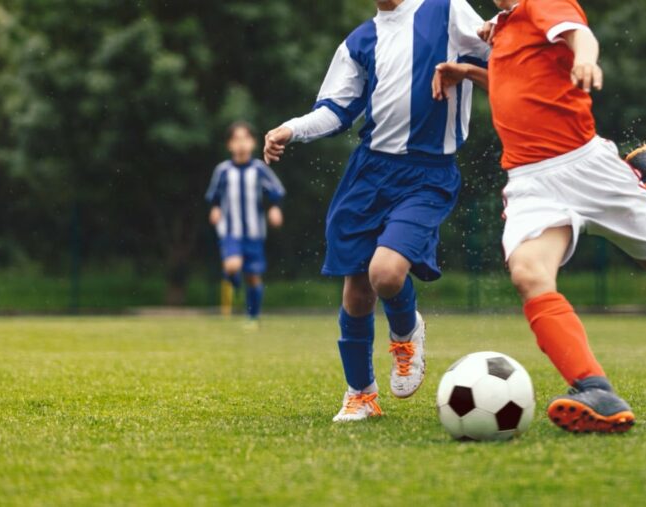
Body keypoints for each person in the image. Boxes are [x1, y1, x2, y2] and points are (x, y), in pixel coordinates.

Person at [433, 0, 646, 433]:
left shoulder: (541, 2)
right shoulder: (501, 28)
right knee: (528, 274)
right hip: (531, 182)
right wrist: (470, 74)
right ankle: (594, 388)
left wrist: (586, 60)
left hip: (586, 166)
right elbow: (517, 85)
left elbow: (580, 36)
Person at [262, 0, 491, 422]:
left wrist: (476, 62)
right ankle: (361, 394)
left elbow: (504, 64)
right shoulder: (359, 41)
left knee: (385, 274)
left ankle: (406, 333)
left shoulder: (447, 10)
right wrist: (289, 129)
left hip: (428, 174)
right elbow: (335, 111)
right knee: (357, 286)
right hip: (369, 174)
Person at [205, 121, 286, 328]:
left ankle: (253, 317)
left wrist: (274, 208)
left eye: (245, 139)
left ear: (253, 143)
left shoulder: (259, 169)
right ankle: (233, 279)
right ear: (229, 145)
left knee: (253, 276)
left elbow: (275, 192)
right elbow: (214, 197)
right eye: (236, 139)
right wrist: (214, 209)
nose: (241, 144)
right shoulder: (222, 171)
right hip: (230, 230)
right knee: (233, 265)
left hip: (254, 231)